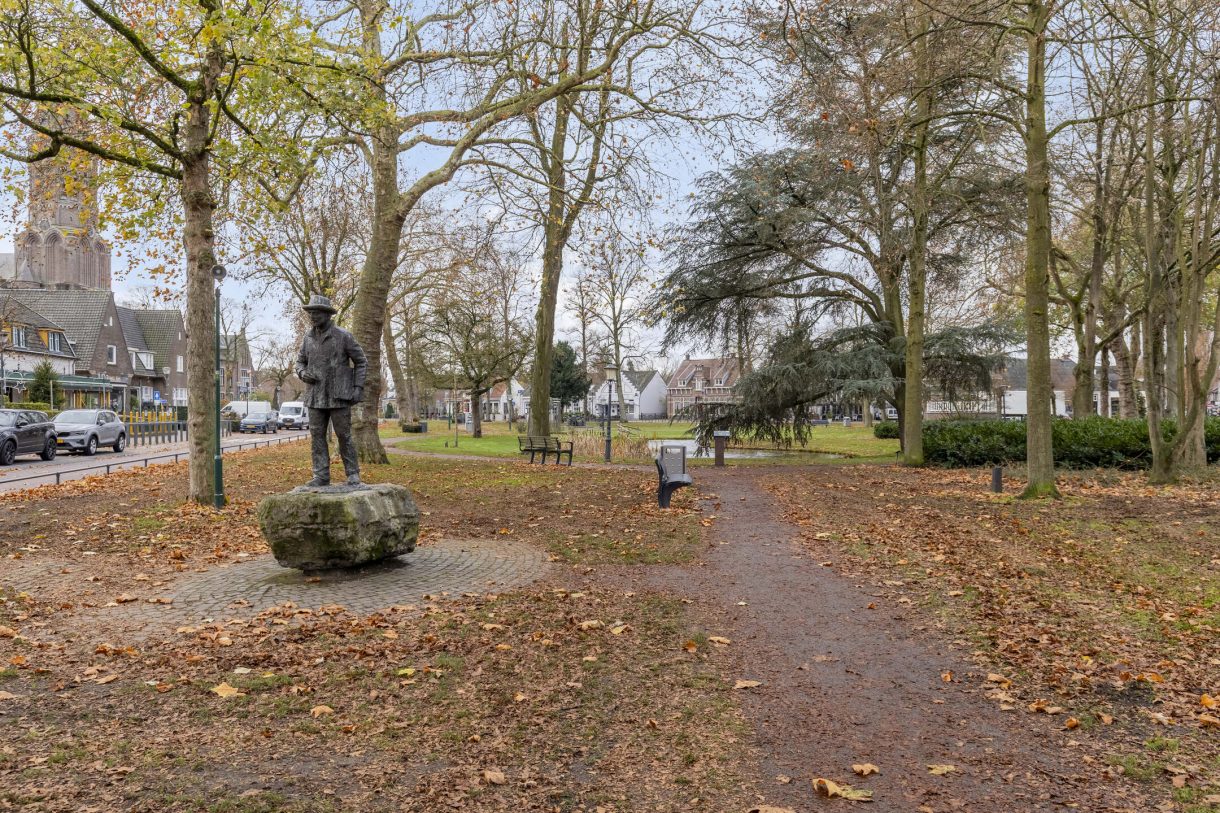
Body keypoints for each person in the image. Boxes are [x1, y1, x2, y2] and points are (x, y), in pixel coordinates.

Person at [294, 294, 368, 486]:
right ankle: (321, 474)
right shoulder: (307, 338)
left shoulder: (344, 336)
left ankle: (352, 473)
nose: (312, 316)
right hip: (315, 395)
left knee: (344, 435)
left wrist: (358, 387)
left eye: (316, 313)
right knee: (316, 436)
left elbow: (361, 361)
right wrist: (302, 373)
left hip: (339, 394)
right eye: (311, 313)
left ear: (327, 315)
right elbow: (300, 361)